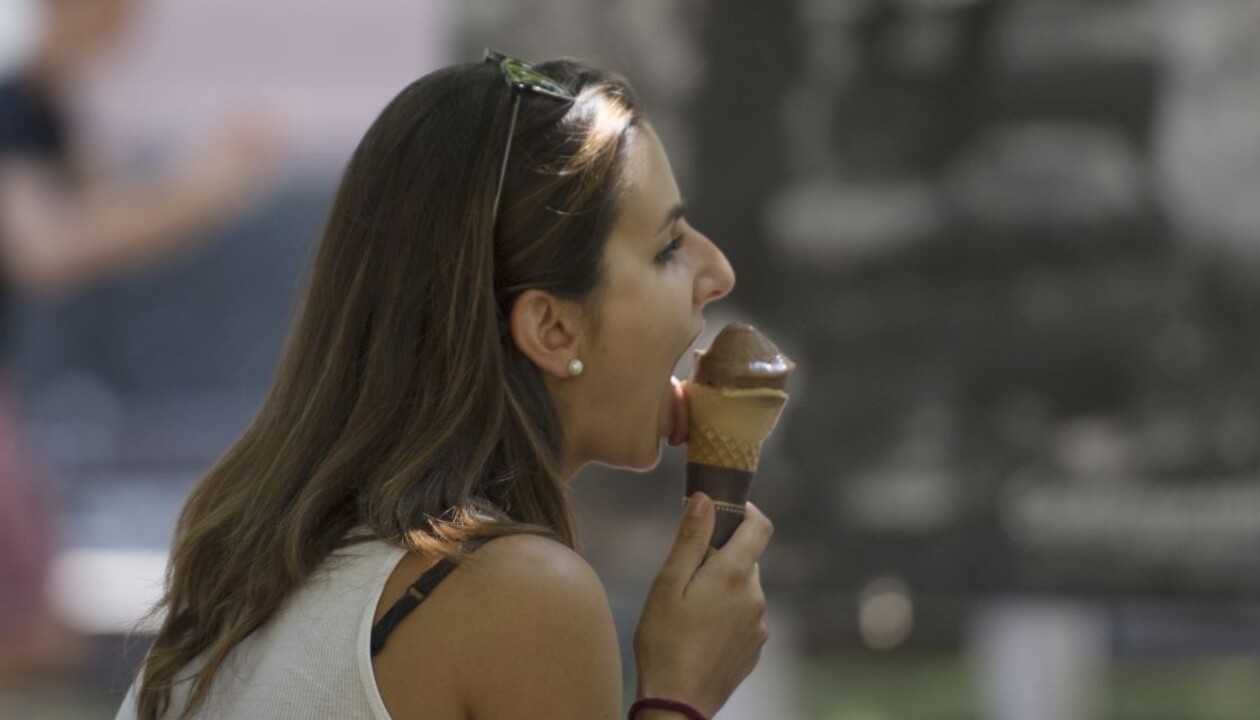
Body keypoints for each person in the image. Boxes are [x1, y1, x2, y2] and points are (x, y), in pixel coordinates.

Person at [114, 50, 769, 720]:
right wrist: (679, 692)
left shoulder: (252, 571)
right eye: (666, 248)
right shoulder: (522, 596)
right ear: (552, 329)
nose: (718, 270)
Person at [0, 0, 278, 691]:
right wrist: (201, 192)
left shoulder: (49, 107)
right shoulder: (16, 106)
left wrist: (204, 188)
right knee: (24, 623)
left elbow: (109, 208)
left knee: (33, 619)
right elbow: (48, 248)